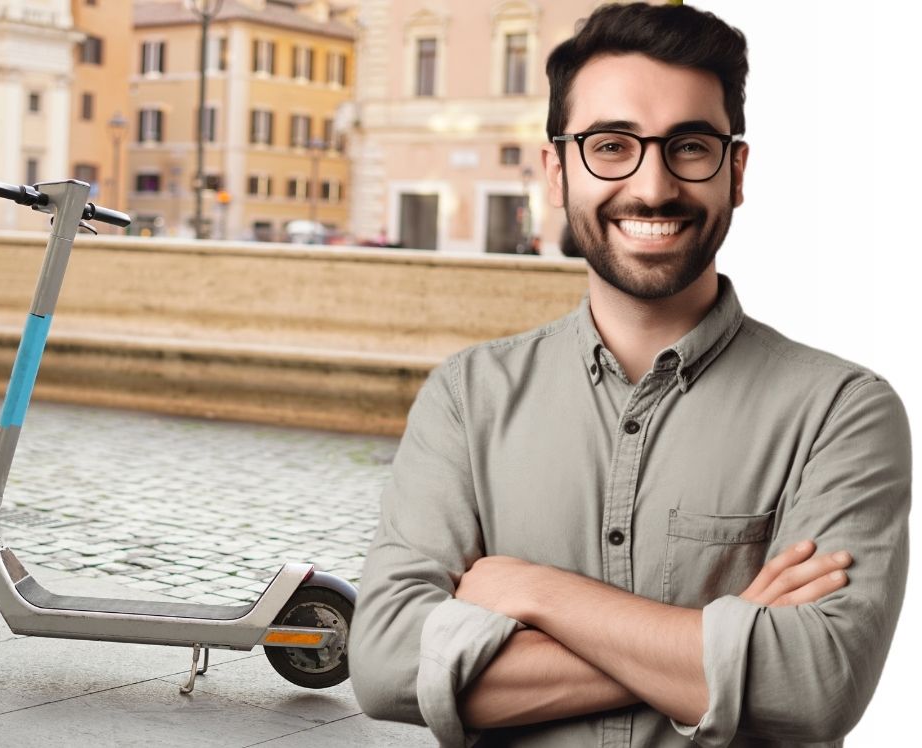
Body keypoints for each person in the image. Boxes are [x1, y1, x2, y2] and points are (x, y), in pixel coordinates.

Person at [348, 4, 911, 747]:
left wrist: (532, 591)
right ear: (556, 171)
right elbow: (387, 664)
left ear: (735, 171)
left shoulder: (844, 412)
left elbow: (815, 684)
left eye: (690, 146)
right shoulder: (466, 397)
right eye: (610, 146)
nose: (652, 186)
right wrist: (728, 638)